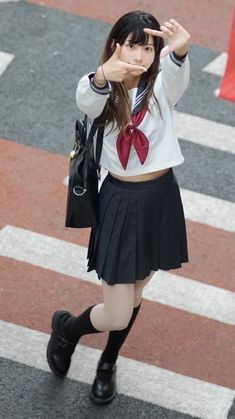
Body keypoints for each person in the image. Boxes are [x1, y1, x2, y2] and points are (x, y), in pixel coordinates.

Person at [46, 10, 190, 405]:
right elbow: (86, 100)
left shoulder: (162, 87)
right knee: (116, 311)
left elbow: (176, 75)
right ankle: (68, 330)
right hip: (120, 200)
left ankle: (108, 361)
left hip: (159, 198)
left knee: (138, 287)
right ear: (116, 45)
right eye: (133, 45)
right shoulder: (102, 87)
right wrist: (103, 75)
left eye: (149, 48)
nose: (141, 56)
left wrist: (179, 52)